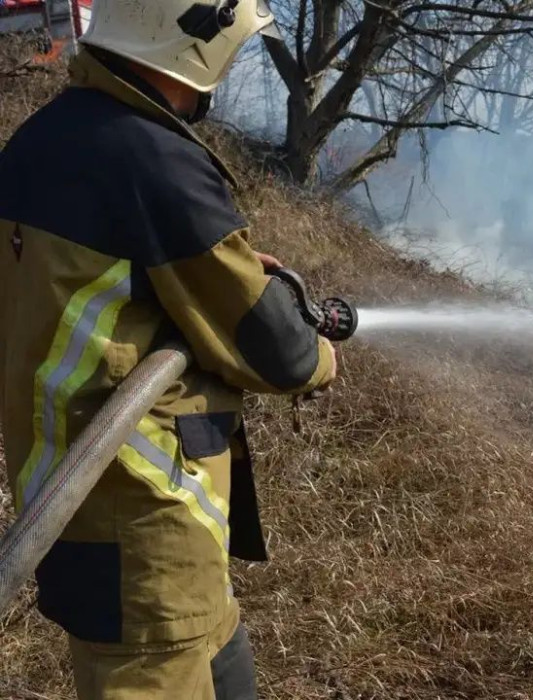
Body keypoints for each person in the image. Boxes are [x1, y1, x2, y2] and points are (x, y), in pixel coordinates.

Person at [0, 0, 338, 696]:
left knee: (224, 666)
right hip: (143, 529)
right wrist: (320, 351)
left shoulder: (44, 139)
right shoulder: (152, 160)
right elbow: (280, 351)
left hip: (95, 510)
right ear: (194, 43)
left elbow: (112, 294)